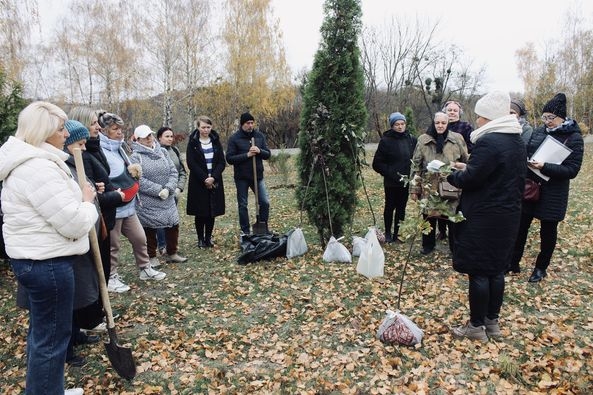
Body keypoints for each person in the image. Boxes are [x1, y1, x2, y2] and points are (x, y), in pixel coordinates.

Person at [0, 101, 97, 395]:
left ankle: (47, 389)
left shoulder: (34, 162)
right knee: (51, 340)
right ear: (43, 131)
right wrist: (87, 201)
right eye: (59, 128)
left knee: (43, 335)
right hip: (48, 265)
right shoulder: (37, 168)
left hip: (38, 260)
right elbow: (73, 222)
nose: (65, 133)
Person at [446, 91, 526, 341]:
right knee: (496, 271)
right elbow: (495, 173)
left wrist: (452, 174)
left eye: (480, 116)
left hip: (484, 216)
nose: (477, 121)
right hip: (508, 215)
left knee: (479, 271)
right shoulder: (516, 141)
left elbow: (471, 180)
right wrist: (469, 166)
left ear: (490, 118)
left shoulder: (489, 142)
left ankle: (476, 327)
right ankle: (492, 324)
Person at [508, 93, 584, 282]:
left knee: (548, 232)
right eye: (545, 117)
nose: (547, 121)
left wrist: (545, 167)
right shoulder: (539, 131)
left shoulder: (574, 137)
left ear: (562, 118)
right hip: (531, 186)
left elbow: (572, 169)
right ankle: (512, 262)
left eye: (551, 118)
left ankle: (541, 268)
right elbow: (528, 150)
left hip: (554, 193)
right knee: (521, 227)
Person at [99, 112, 166, 293]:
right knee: (113, 244)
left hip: (129, 204)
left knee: (139, 238)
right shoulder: (101, 150)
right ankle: (111, 277)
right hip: (114, 205)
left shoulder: (121, 147)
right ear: (104, 131)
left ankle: (145, 268)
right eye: (115, 129)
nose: (120, 132)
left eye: (121, 129)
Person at [69, 106, 125, 287]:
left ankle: (100, 309)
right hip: (94, 221)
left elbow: (96, 183)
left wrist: (101, 187)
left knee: (104, 269)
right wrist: (116, 196)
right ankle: (97, 312)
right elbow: (87, 195)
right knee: (97, 273)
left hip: (104, 218)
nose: (98, 127)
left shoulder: (94, 148)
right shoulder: (81, 155)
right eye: (93, 123)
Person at [62, 120, 103, 366]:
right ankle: (66, 349)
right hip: (70, 241)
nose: (84, 148)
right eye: (79, 143)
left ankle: (76, 334)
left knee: (76, 295)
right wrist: (85, 198)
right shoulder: (61, 167)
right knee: (66, 300)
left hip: (83, 239)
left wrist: (92, 190)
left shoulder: (72, 164)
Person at [410, 111, 468, 255]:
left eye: (443, 123)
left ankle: (455, 248)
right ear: (433, 123)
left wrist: (460, 172)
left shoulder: (457, 139)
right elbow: (416, 165)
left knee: (452, 217)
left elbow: (466, 161)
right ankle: (428, 245)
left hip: (451, 184)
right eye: (437, 123)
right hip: (429, 185)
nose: (440, 126)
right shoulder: (423, 140)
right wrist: (414, 189)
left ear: (448, 124)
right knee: (429, 216)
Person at [130, 125, 187, 264]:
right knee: (150, 228)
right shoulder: (135, 157)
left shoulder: (162, 151)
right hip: (148, 200)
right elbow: (138, 179)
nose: (149, 138)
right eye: (145, 137)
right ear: (138, 139)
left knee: (173, 224)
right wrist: (158, 190)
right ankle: (151, 256)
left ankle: (172, 252)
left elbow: (174, 171)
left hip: (168, 196)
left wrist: (168, 188)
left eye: (150, 135)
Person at [372, 112, 417, 243]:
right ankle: (387, 232)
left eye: (402, 124)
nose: (400, 127)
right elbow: (377, 163)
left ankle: (398, 233)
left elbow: (416, 158)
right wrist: (390, 173)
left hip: (406, 182)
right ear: (392, 126)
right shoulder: (386, 141)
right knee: (390, 206)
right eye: (397, 124)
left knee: (401, 208)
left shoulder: (411, 140)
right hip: (391, 182)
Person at [226, 112, 271, 236]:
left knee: (264, 202)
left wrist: (259, 151)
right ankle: (245, 231)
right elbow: (229, 158)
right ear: (242, 124)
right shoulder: (235, 138)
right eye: (247, 123)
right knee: (243, 204)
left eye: (252, 123)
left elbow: (268, 154)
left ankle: (263, 227)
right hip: (242, 177)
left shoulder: (259, 136)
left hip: (258, 176)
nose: (250, 125)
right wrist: (247, 155)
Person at [186, 116, 226, 248]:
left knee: (211, 211)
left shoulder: (215, 141)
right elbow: (191, 163)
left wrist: (213, 177)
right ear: (198, 127)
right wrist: (205, 178)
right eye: (203, 127)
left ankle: (208, 238)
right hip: (199, 182)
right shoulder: (193, 142)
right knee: (200, 211)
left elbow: (221, 162)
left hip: (214, 181)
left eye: (208, 127)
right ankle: (200, 239)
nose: (206, 130)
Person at [155, 126, 187, 254]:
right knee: (160, 221)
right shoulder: (154, 152)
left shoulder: (175, 150)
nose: (170, 139)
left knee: (172, 221)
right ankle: (162, 246)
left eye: (171, 136)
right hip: (161, 192)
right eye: (166, 136)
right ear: (159, 138)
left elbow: (182, 172)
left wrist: (179, 188)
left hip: (175, 192)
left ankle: (171, 247)